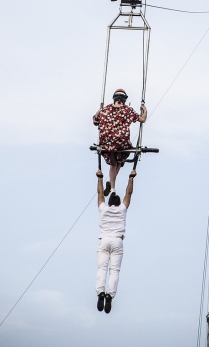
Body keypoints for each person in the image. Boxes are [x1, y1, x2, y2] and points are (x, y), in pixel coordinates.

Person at [95, 168, 137, 314]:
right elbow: (128, 193)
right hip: (117, 242)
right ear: (119, 203)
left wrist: (99, 178)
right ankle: (109, 295)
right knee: (114, 271)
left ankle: (100, 292)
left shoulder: (103, 209)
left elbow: (100, 194)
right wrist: (131, 177)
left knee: (102, 268)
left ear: (110, 203)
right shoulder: (122, 210)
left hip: (104, 240)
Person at [93, 88, 147, 195]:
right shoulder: (127, 110)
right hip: (121, 141)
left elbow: (95, 121)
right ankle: (111, 185)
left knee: (114, 163)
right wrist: (145, 111)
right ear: (124, 100)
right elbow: (142, 119)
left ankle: (112, 187)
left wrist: (98, 112)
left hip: (106, 141)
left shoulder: (105, 109)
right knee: (119, 161)